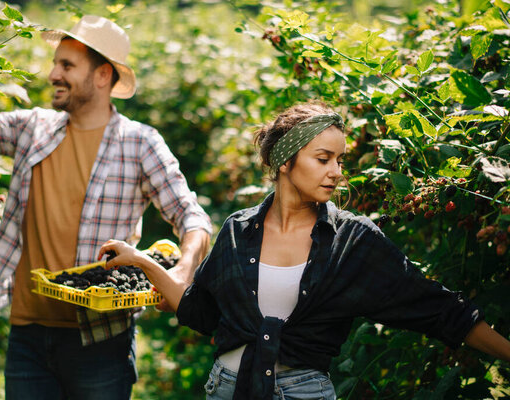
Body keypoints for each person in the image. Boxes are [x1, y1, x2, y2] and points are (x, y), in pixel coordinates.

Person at [98, 101, 510, 400]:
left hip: (304, 392)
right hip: (226, 388)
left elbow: (439, 310)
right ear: (284, 162)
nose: (337, 171)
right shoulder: (239, 230)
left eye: (340, 160)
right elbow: (197, 311)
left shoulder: (353, 240)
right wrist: (141, 261)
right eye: (323, 158)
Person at [0, 15, 212, 400]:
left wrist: (183, 267)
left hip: (100, 342)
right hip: (28, 333)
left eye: (67, 65)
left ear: (101, 76)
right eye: (55, 63)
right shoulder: (34, 128)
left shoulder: (139, 143)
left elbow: (191, 216)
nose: (52, 74)